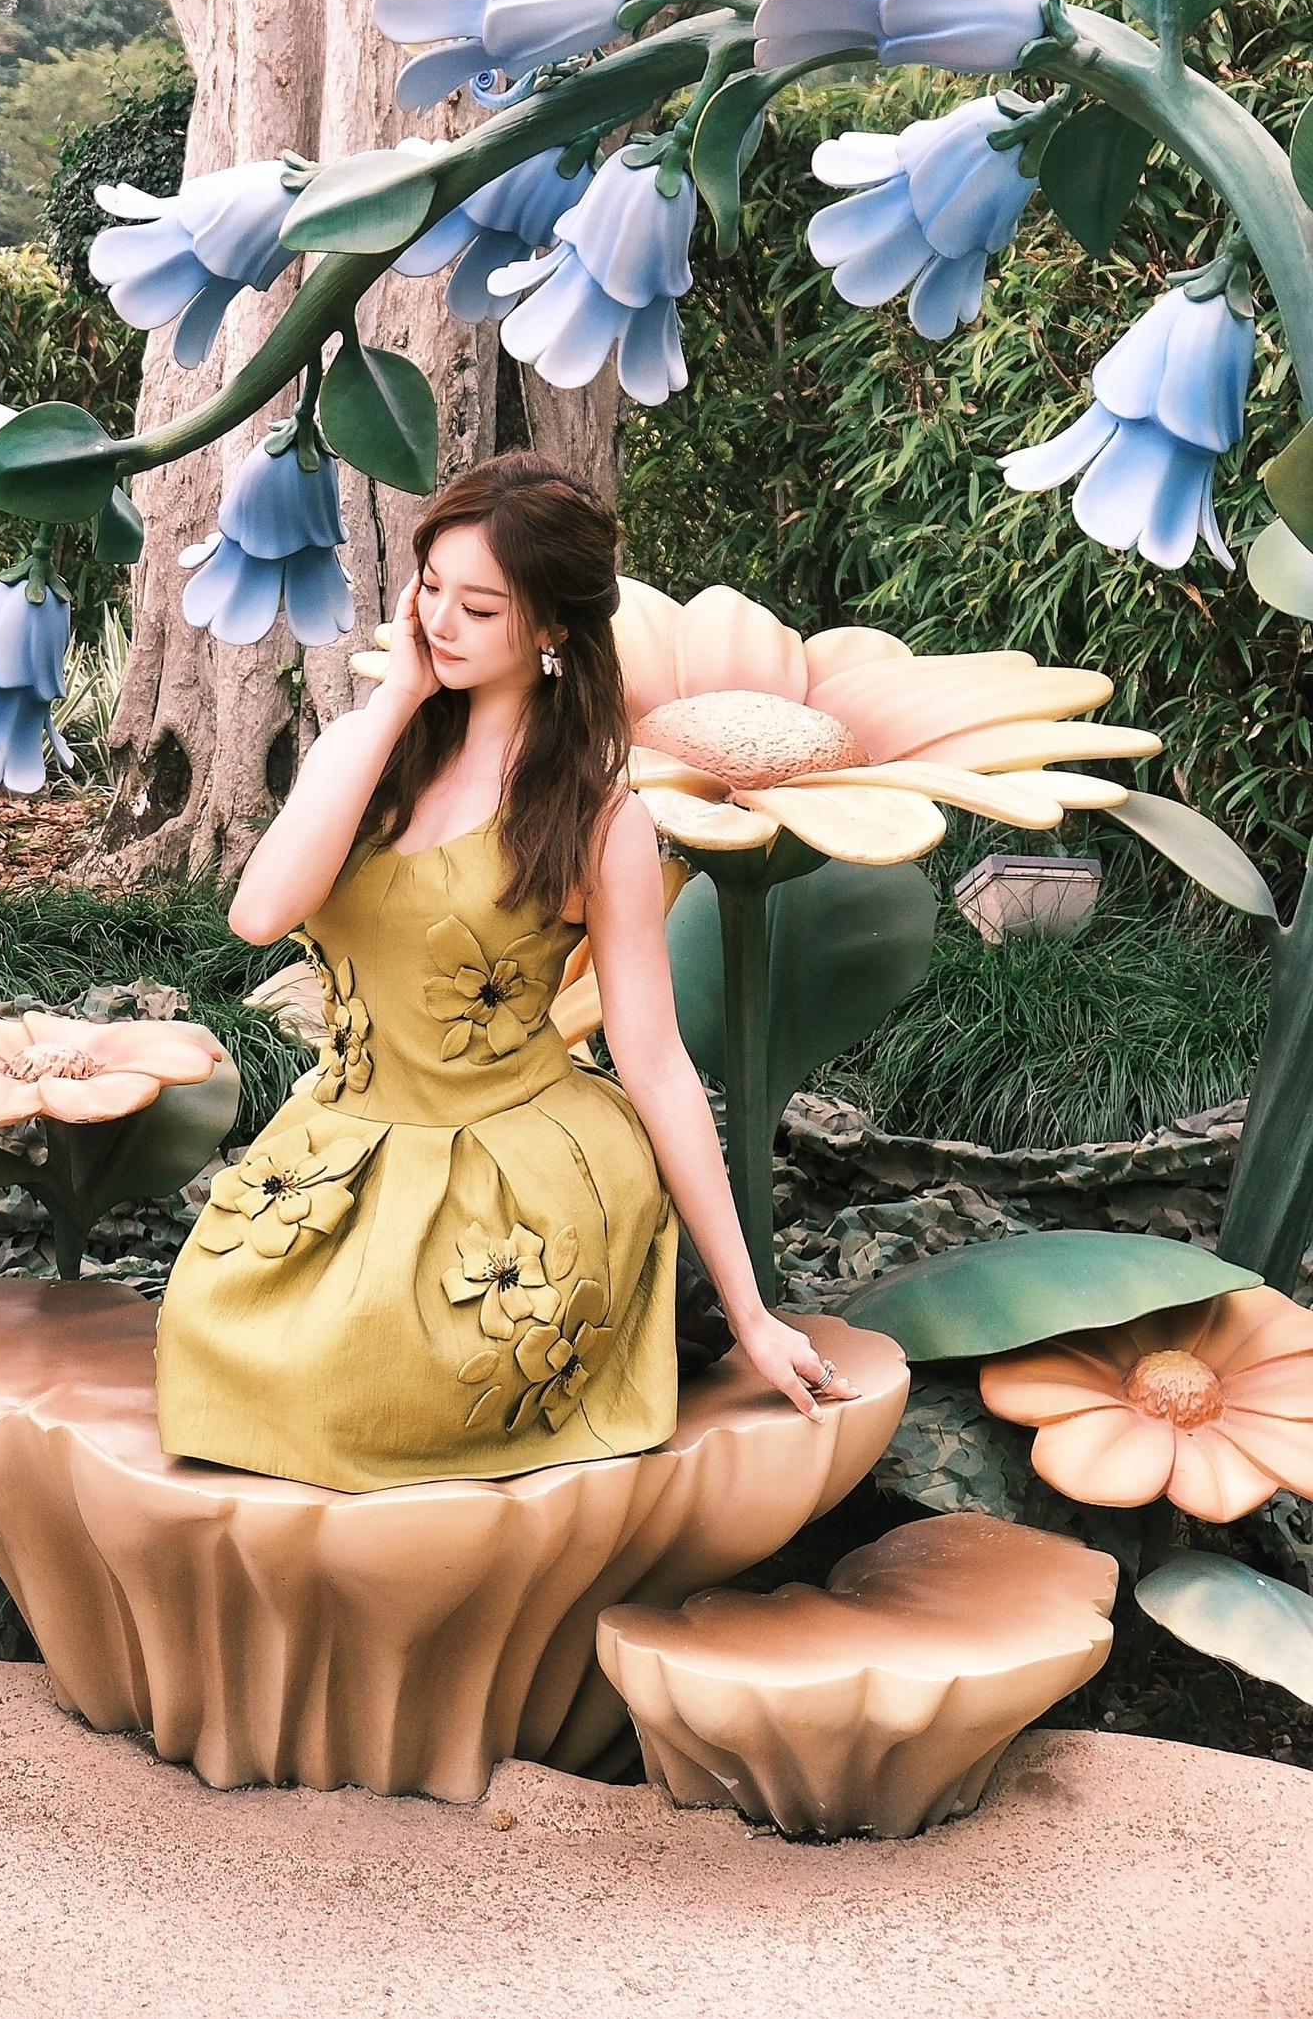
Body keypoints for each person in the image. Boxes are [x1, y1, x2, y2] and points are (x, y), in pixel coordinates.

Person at [154, 450, 855, 1490]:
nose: (440, 621)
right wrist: (395, 702)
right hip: (338, 1141)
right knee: (209, 1341)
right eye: (430, 587)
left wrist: (753, 1312)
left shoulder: (595, 819)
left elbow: (656, 1062)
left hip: (510, 1171)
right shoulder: (366, 751)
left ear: (552, 628)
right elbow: (259, 915)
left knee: (370, 1390)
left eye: (478, 607)